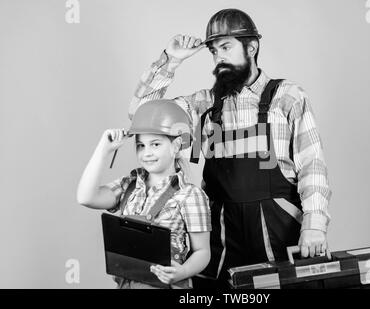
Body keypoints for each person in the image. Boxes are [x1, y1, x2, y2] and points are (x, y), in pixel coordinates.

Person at [128, 8, 332, 288]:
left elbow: (312, 166)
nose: (218, 57)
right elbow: (142, 115)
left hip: (278, 228)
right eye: (213, 51)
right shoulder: (205, 104)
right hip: (220, 232)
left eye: (226, 47)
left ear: (252, 47)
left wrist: (314, 225)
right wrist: (170, 61)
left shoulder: (287, 97)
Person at [77, 100, 211, 289]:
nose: (146, 153)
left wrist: (182, 272)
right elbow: (85, 197)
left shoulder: (190, 195)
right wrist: (103, 150)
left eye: (155, 144)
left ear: (176, 145)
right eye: (141, 145)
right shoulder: (129, 185)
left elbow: (203, 252)